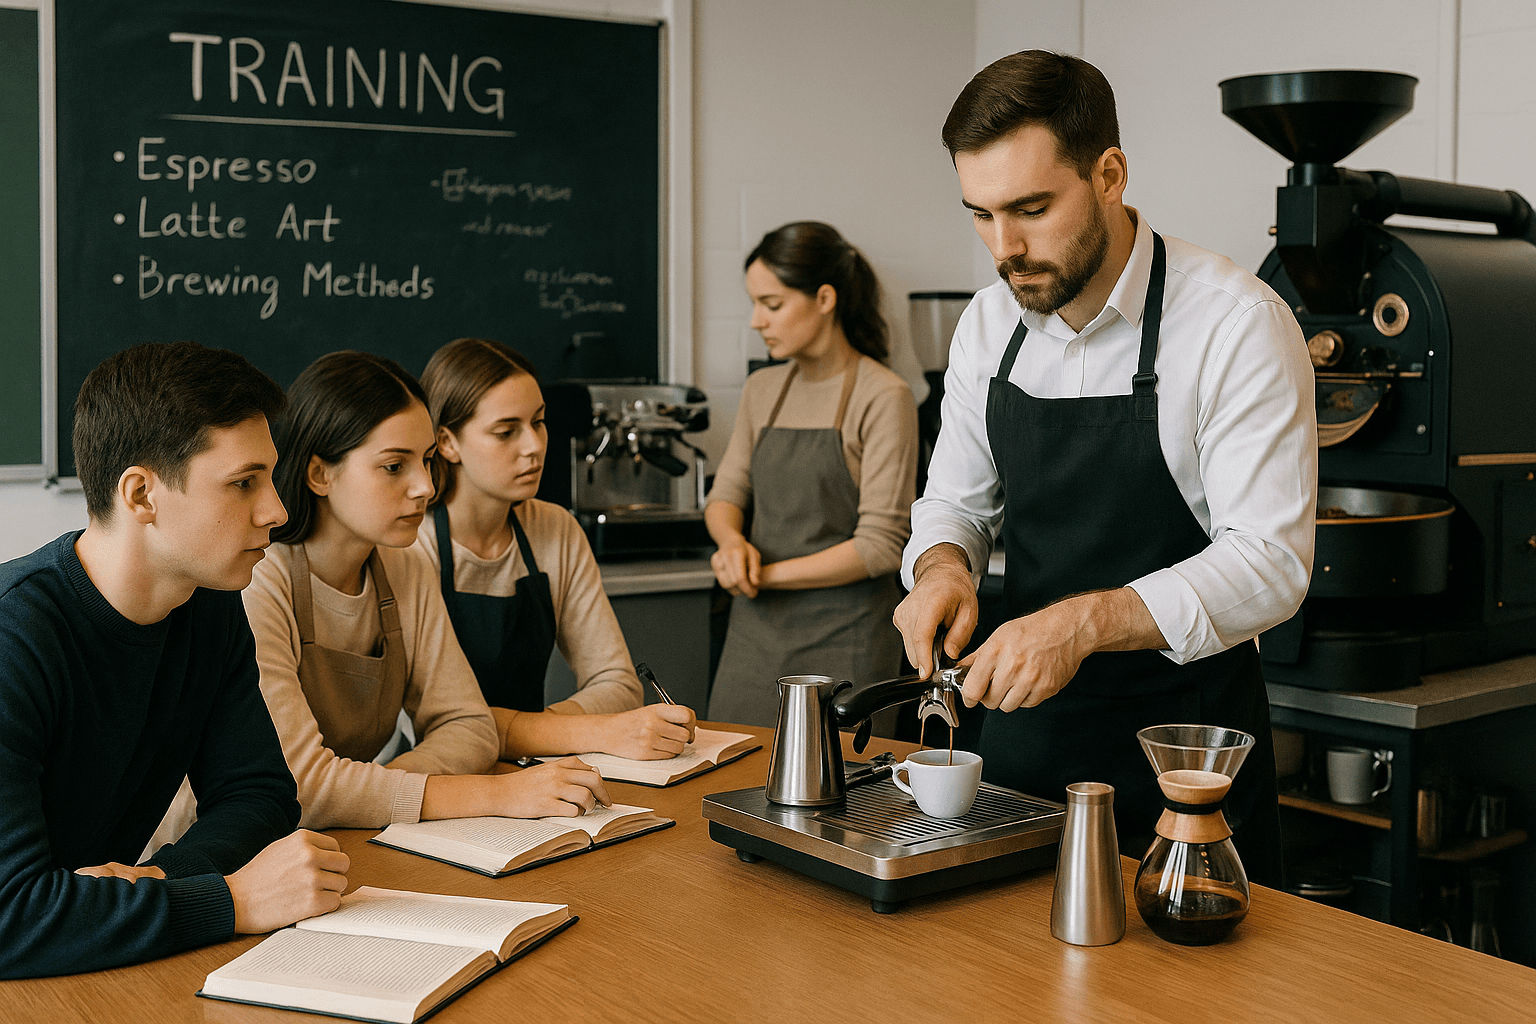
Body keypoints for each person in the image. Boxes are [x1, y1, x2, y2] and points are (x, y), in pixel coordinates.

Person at [894, 51, 1316, 885]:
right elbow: (955, 504)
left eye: (1031, 208)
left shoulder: (1236, 325)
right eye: (980, 214)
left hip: (1183, 764)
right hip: (1021, 746)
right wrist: (941, 569)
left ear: (1111, 173)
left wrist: (1079, 625)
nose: (1004, 249)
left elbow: (1270, 563)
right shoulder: (988, 325)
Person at [0, 342, 348, 979]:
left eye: (270, 477)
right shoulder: (13, 638)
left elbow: (260, 795)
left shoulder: (206, 605)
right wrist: (232, 900)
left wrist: (158, 881)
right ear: (141, 496)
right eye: (244, 483)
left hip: (90, 964)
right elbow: (9, 917)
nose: (278, 510)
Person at [243, 350, 610, 831]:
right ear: (319, 474)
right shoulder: (259, 580)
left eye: (427, 461)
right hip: (218, 863)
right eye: (395, 466)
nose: (425, 488)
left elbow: (470, 727)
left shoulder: (404, 568)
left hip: (333, 840)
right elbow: (299, 786)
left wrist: (373, 794)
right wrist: (497, 792)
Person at [415, 336, 696, 759]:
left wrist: (537, 735)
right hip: (433, 772)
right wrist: (586, 731)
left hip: (536, 767)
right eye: (506, 431)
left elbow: (617, 683)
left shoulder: (555, 529)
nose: (534, 446)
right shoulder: (411, 544)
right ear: (448, 442)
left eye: (539, 422)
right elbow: (437, 724)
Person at [707, 221, 919, 727]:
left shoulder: (884, 396)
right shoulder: (763, 389)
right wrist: (731, 544)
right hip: (753, 637)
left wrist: (763, 575)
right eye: (754, 303)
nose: (757, 320)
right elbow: (725, 494)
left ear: (825, 298)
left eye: (772, 304)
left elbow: (882, 545)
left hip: (846, 641)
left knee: (837, 793)